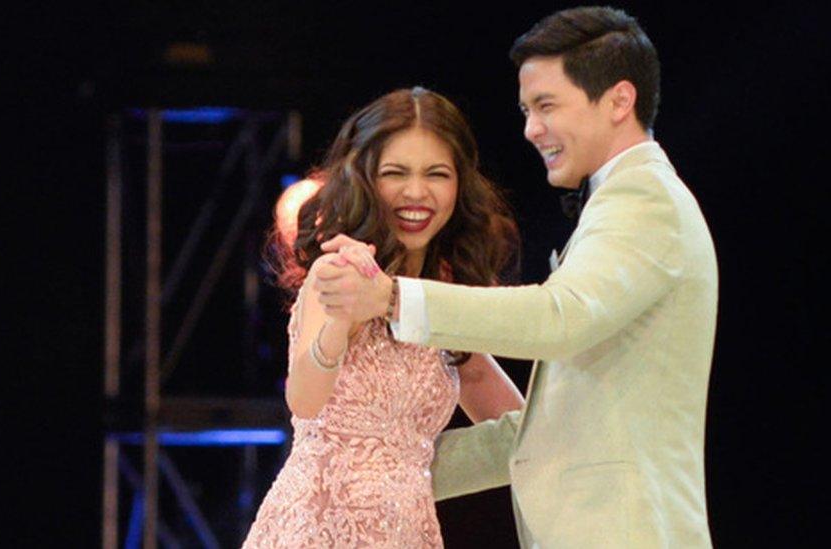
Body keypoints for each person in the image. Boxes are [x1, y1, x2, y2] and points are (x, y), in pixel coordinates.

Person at [314, 7, 718, 548]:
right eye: (527, 110)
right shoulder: (620, 205)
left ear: (620, 100)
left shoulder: (645, 201)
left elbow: (559, 317)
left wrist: (392, 297)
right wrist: (378, 470)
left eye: (547, 106)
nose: (531, 130)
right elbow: (547, 432)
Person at [240, 87, 524, 548]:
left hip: (407, 532)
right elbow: (305, 401)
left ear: (459, 185)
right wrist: (340, 321)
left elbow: (518, 428)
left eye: (437, 174)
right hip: (317, 529)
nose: (417, 192)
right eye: (396, 173)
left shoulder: (439, 300)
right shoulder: (339, 273)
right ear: (366, 180)